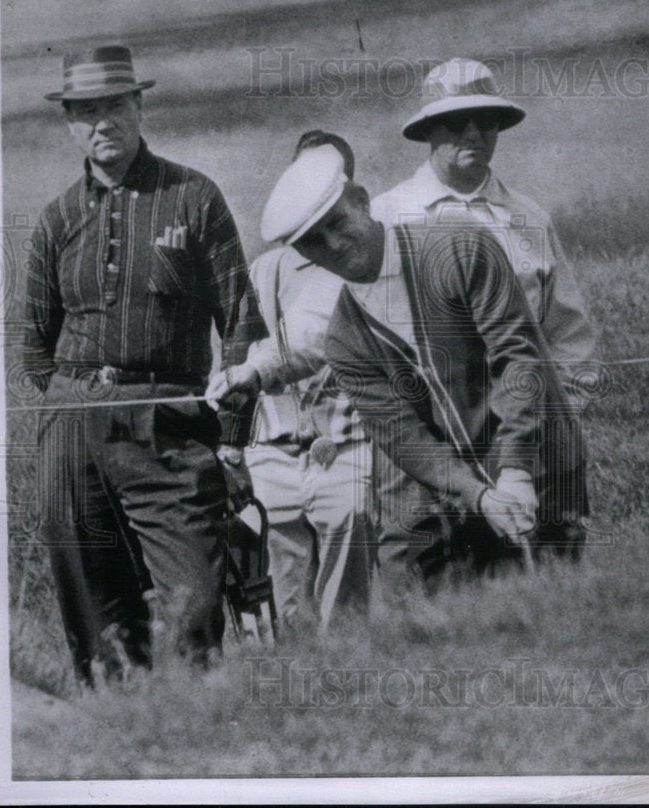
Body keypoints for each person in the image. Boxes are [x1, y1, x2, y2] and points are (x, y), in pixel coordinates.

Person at [21, 46, 267, 685]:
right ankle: (124, 736)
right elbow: (35, 348)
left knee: (195, 602)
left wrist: (234, 447)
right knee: (96, 604)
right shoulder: (57, 219)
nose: (100, 122)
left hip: (168, 423)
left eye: (113, 105)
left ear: (139, 106)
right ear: (69, 121)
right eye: (84, 111)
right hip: (73, 426)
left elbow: (240, 322)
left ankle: (197, 733)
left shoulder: (194, 197)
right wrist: (73, 412)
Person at [259, 141, 585, 586]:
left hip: (541, 468)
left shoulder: (458, 247)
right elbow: (403, 437)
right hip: (460, 496)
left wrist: (516, 470)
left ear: (361, 200)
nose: (332, 245)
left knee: (562, 617)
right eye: (313, 242)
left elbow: (517, 361)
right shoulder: (343, 339)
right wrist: (480, 496)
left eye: (337, 223)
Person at [370, 58, 594, 574]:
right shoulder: (389, 216)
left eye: (486, 120)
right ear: (428, 130)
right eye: (455, 121)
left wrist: (556, 419)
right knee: (433, 605)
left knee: (546, 594)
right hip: (430, 460)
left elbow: (569, 335)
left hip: (530, 448)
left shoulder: (528, 218)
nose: (474, 133)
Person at [205, 131, 376, 631]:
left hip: (348, 442)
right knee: (279, 576)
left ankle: (348, 663)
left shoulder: (360, 264)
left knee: (350, 538)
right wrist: (231, 447)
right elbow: (239, 353)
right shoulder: (266, 270)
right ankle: (292, 671)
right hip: (275, 449)